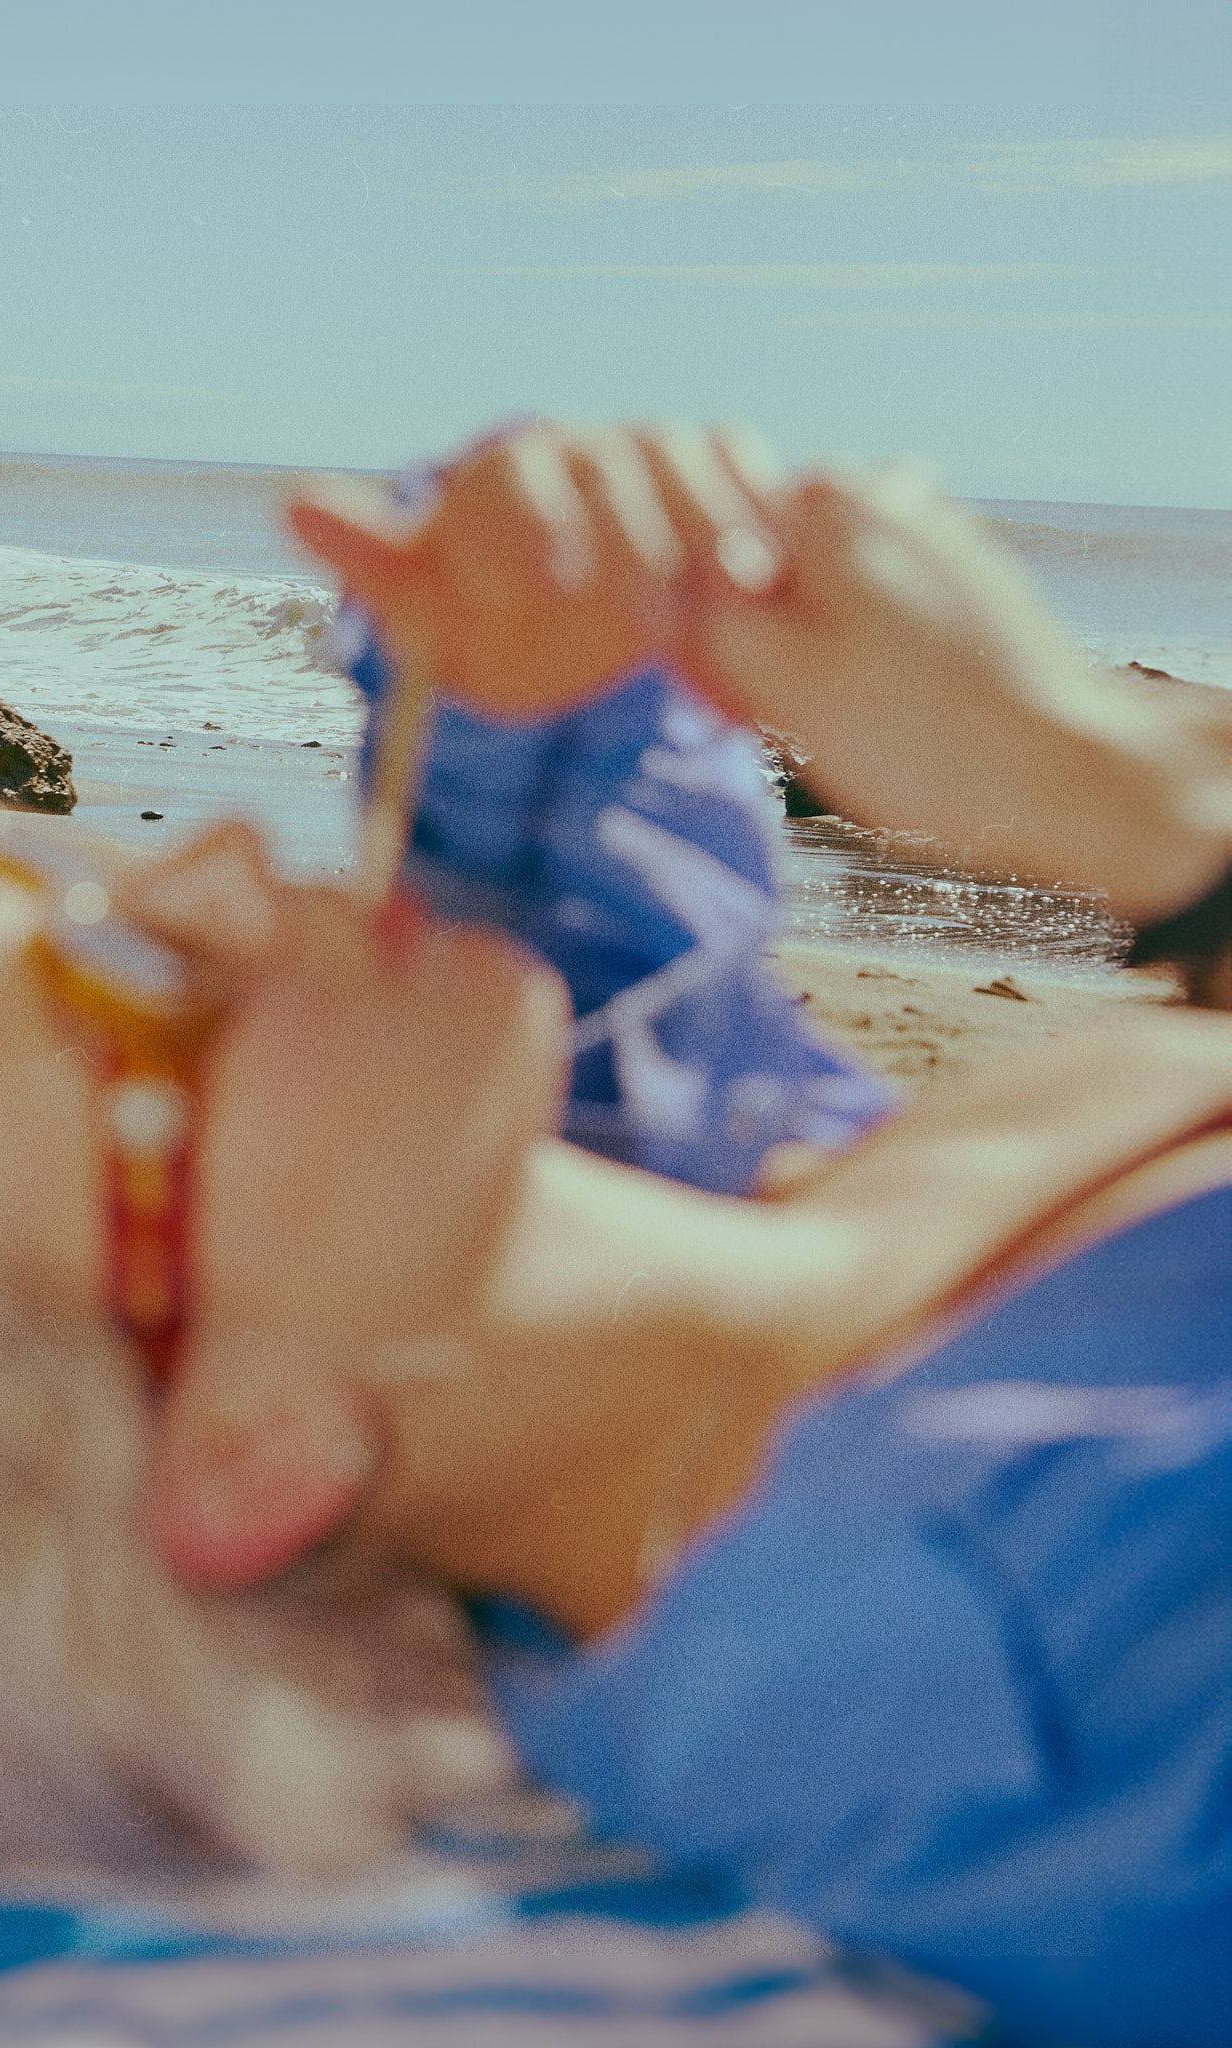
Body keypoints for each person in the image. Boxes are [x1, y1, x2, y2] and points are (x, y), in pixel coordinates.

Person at [134, 422, 1231, 2046]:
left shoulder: (662, 1255)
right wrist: (1129, 794)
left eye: (29, 874)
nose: (197, 870)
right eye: (110, 995)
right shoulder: (1045, 1688)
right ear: (252, 1451)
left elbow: (561, 883)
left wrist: (529, 616)